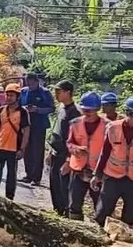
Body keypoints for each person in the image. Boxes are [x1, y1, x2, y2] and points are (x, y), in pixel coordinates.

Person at [91, 96, 133, 227]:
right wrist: (97, 174)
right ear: (128, 114)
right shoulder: (113, 128)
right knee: (101, 214)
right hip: (113, 177)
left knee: (129, 218)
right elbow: (105, 152)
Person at [66, 92, 105, 220]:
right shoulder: (75, 123)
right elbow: (69, 143)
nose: (87, 113)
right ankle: (76, 230)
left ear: (97, 109)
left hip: (98, 171)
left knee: (100, 206)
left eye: (91, 110)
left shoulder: (107, 126)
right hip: (78, 169)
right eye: (85, 110)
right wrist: (76, 149)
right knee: (74, 203)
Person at [47, 80, 81, 217]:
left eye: (59, 92)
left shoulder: (75, 112)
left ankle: (66, 213)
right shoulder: (61, 108)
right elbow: (56, 130)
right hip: (56, 152)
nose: (56, 95)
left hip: (65, 155)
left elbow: (75, 138)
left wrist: (69, 159)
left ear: (68, 92)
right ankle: (57, 211)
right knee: (54, 184)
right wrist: (50, 151)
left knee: (64, 187)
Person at [0, 84, 31, 200]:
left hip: (14, 148)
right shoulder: (1, 110)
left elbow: (26, 131)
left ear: (17, 97)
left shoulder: (23, 112)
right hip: (0, 146)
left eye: (12, 95)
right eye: (7, 95)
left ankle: (10, 198)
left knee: (11, 175)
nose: (9, 97)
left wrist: (23, 149)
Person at [20, 72, 55, 186]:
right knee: (26, 149)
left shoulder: (45, 93)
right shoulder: (23, 91)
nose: (29, 85)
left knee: (37, 151)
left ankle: (36, 177)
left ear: (36, 81)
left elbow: (51, 108)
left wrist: (37, 110)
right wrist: (24, 109)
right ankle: (28, 174)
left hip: (39, 125)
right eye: (27, 83)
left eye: (31, 83)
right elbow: (18, 106)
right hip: (26, 125)